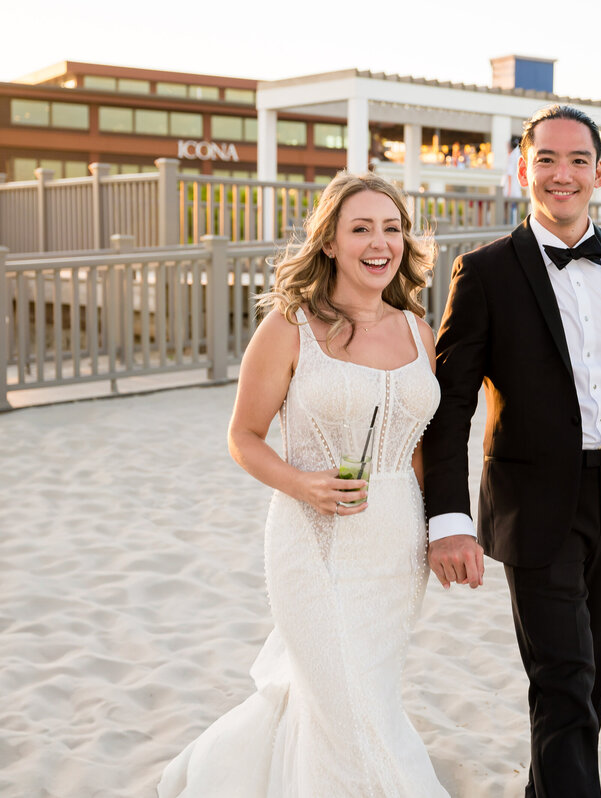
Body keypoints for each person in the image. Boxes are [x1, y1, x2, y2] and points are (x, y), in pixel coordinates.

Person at [423, 105, 601, 798]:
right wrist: (447, 520)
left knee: (590, 675)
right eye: (546, 159)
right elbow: (449, 405)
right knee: (563, 680)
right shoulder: (483, 273)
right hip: (532, 503)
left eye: (577, 160)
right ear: (524, 169)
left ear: (600, 174)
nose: (562, 174)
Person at [158, 172, 471, 797]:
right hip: (313, 544)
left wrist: (441, 531)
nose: (380, 242)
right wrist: (302, 484)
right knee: (348, 708)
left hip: (396, 546)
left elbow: (422, 451)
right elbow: (243, 436)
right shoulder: (289, 328)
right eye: (361, 228)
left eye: (392, 228)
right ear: (329, 241)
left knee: (363, 695)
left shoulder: (418, 330)